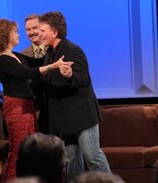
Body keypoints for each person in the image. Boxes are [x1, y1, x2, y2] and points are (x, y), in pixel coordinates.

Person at [0, 18, 71, 182]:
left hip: (27, 105)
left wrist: (51, 43)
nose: (19, 35)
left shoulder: (16, 55)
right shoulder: (2, 59)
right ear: (5, 35)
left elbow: (39, 61)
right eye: (15, 32)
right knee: (18, 148)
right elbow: (28, 73)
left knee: (28, 151)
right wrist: (53, 66)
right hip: (16, 107)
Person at [38, 11, 111, 182]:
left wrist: (70, 74)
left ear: (54, 32)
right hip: (65, 118)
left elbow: (84, 78)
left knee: (92, 156)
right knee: (71, 159)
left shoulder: (71, 50)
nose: (39, 34)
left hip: (82, 115)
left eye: (42, 31)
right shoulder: (49, 54)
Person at [21, 14, 49, 133]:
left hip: (55, 108)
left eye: (35, 28)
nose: (32, 32)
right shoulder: (23, 55)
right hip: (36, 110)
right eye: (28, 29)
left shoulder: (53, 49)